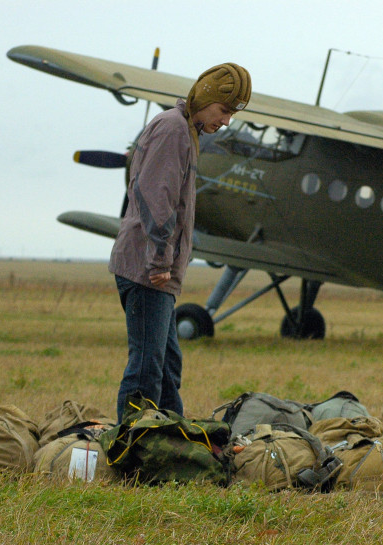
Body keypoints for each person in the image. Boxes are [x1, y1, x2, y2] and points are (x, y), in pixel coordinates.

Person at [108, 63, 252, 422]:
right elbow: (159, 198)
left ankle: (173, 437)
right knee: (146, 368)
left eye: (232, 114)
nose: (226, 121)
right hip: (148, 270)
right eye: (223, 110)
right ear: (204, 98)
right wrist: (160, 260)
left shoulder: (185, 130)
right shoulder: (174, 129)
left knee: (167, 365)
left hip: (156, 270)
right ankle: (134, 443)